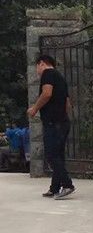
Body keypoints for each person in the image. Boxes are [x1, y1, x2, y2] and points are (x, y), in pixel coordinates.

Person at [27, 54, 75, 199]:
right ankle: (54, 188)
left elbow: (47, 93)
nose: (37, 71)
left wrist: (34, 108)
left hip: (53, 123)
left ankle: (67, 185)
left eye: (37, 67)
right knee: (58, 156)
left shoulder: (47, 74)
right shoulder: (60, 77)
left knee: (51, 155)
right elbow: (67, 104)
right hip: (63, 122)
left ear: (41, 63)